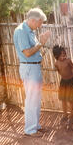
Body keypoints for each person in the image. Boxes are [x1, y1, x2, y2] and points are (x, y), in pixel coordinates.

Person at [13, 8, 51, 137]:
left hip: (34, 67)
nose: (40, 25)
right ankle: (30, 130)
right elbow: (27, 53)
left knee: (36, 99)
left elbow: (33, 51)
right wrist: (41, 43)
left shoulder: (30, 31)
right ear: (33, 20)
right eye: (40, 22)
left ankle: (35, 126)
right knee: (31, 100)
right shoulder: (21, 31)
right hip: (29, 68)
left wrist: (40, 47)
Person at [52, 45, 73, 126]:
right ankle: (65, 114)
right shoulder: (56, 64)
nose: (64, 57)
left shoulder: (68, 61)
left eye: (64, 55)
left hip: (71, 81)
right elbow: (59, 71)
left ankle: (71, 114)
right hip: (63, 82)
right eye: (61, 56)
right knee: (63, 99)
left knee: (70, 99)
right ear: (57, 56)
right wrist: (64, 77)